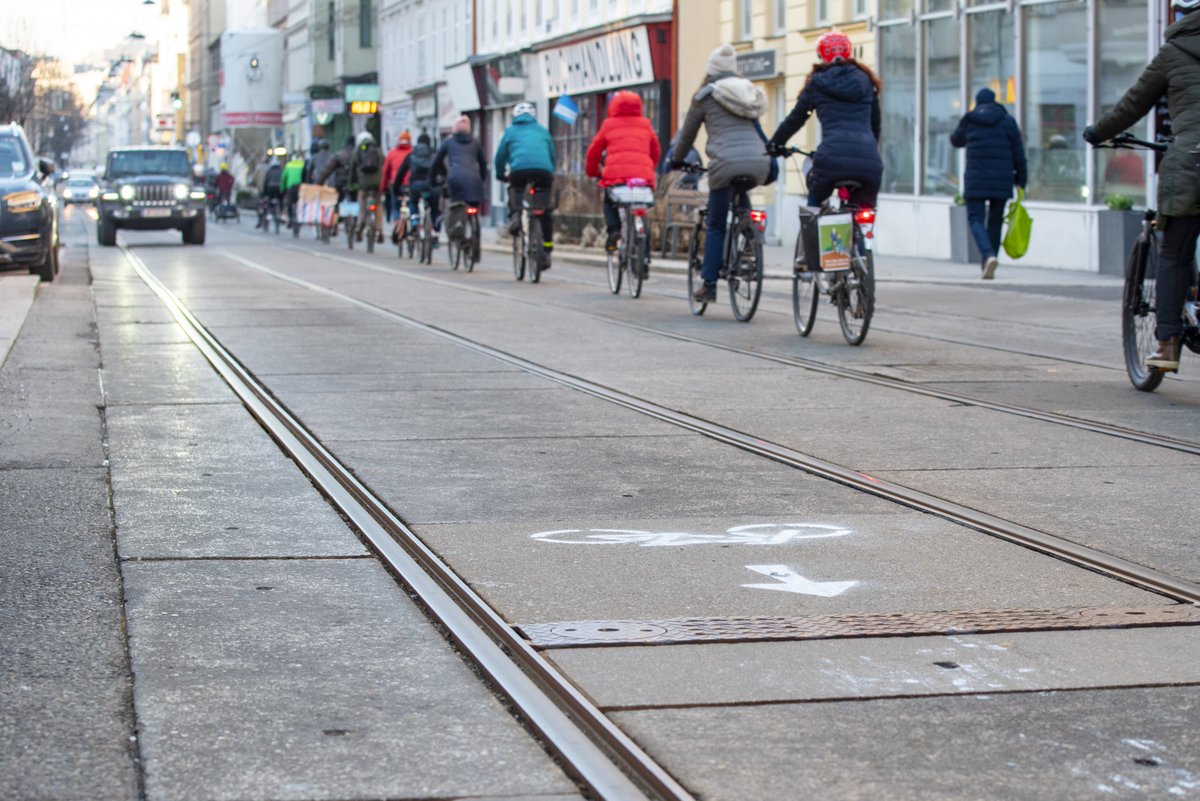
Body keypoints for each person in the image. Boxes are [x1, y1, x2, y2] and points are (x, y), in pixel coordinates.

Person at [1084, 0, 1200, 372]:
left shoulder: (1173, 52)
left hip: (1190, 163)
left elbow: (1134, 103)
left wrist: (1098, 132)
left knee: (1175, 254)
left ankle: (1167, 345)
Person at [674, 43, 772, 302]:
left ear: (711, 70)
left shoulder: (705, 96)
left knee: (716, 224)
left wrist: (676, 159)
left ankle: (709, 285)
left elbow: (687, 135)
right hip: (757, 161)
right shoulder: (747, 92)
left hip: (725, 164)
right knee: (743, 204)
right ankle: (750, 244)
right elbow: (758, 133)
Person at [768, 31, 882, 209]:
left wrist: (775, 144)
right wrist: (869, 150)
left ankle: (813, 234)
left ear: (821, 56)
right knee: (864, 212)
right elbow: (876, 124)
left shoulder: (817, 83)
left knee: (814, 202)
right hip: (868, 161)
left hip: (831, 158)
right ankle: (864, 235)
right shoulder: (866, 81)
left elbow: (796, 119)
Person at [949, 87, 1028, 280]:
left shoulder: (970, 120)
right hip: (1002, 180)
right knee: (995, 220)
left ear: (977, 102)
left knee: (975, 218)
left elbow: (955, 140)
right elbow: (1019, 153)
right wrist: (1021, 180)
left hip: (976, 179)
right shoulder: (1007, 121)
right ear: (995, 101)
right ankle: (989, 259)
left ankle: (988, 255)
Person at [585, 90, 661, 252]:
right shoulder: (645, 124)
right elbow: (656, 151)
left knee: (609, 201)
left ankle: (614, 230)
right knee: (641, 210)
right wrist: (648, 168)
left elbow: (593, 152)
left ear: (614, 106)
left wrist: (593, 171)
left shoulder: (609, 124)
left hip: (616, 178)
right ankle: (644, 260)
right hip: (641, 178)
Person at [494, 102, 557, 255]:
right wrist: (550, 170)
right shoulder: (542, 131)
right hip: (543, 171)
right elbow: (552, 154)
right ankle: (547, 245)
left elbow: (500, 156)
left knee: (515, 191)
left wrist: (500, 173)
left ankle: (515, 215)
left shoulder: (510, 132)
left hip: (519, 171)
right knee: (544, 208)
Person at [432, 116, 488, 252]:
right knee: (473, 209)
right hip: (474, 181)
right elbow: (483, 164)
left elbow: (436, 163)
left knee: (457, 208)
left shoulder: (448, 142)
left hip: (455, 180)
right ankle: (476, 246)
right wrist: (482, 180)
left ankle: (459, 234)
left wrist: (433, 179)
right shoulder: (475, 143)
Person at [394, 132, 441, 244]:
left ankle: (414, 222)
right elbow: (442, 170)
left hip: (415, 185)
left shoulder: (411, 155)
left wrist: (397, 189)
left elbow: (401, 173)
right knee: (434, 208)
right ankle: (434, 230)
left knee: (413, 202)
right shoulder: (434, 154)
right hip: (431, 186)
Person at [349, 130, 385, 242]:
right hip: (377, 183)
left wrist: (352, 183)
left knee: (362, 207)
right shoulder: (377, 150)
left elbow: (353, 169)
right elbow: (384, 164)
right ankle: (379, 230)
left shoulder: (358, 151)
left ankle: (359, 227)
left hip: (364, 184)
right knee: (378, 205)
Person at [381, 131, 413, 223]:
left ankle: (396, 225)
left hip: (396, 184)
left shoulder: (391, 153)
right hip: (410, 183)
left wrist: (383, 188)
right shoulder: (412, 152)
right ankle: (412, 226)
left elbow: (385, 172)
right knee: (411, 204)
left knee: (396, 206)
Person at [280, 151, 305, 227]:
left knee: (289, 203)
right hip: (300, 187)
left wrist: (282, 189)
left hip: (290, 187)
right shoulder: (302, 165)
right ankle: (300, 218)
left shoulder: (288, 165)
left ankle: (290, 218)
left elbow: (283, 178)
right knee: (300, 203)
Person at [257, 158, 284, 229]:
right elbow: (284, 180)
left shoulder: (269, 171)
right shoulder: (282, 170)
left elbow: (266, 181)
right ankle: (281, 213)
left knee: (268, 201)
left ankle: (269, 212)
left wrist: (265, 192)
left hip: (270, 188)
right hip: (279, 188)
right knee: (280, 200)